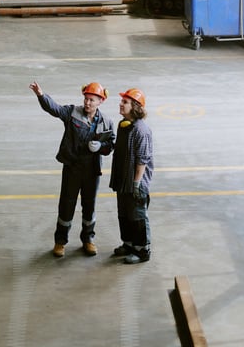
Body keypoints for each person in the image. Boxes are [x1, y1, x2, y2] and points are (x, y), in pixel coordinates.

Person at [29, 80, 115, 258]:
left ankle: (88, 240)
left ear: (101, 101)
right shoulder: (72, 113)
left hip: (92, 171)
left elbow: (110, 144)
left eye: (92, 100)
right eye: (86, 99)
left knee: (89, 207)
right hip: (72, 168)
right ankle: (60, 242)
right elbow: (54, 109)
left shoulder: (106, 122)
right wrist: (41, 95)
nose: (87, 103)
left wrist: (100, 147)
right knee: (66, 206)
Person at [109, 88, 154, 264]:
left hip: (135, 182)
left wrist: (136, 183)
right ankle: (128, 244)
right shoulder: (124, 126)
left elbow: (142, 160)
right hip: (123, 181)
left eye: (125, 102)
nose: (121, 104)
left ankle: (142, 250)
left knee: (137, 216)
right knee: (124, 213)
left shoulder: (140, 130)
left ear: (135, 107)